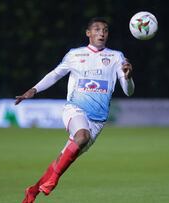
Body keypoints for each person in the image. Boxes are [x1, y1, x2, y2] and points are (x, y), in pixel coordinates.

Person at [15, 17, 135, 203]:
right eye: (96, 29)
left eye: (105, 30)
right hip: (75, 109)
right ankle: (53, 180)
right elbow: (55, 74)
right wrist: (34, 89)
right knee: (81, 136)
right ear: (88, 33)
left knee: (60, 162)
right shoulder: (75, 55)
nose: (101, 33)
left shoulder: (116, 57)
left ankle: (32, 192)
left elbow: (128, 91)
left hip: (98, 121)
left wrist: (128, 78)